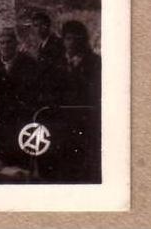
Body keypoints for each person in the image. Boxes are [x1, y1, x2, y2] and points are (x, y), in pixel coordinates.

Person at [0, 28, 40, 169]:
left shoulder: (28, 63)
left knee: (23, 157)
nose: (5, 46)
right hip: (2, 116)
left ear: (15, 43)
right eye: (2, 43)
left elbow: (36, 91)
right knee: (5, 158)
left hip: (23, 116)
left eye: (9, 42)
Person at [54, 20, 102, 182]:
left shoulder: (94, 62)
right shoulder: (57, 63)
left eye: (76, 38)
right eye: (68, 38)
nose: (71, 43)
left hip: (85, 120)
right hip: (62, 120)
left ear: (83, 41)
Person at [32, 11, 66, 104]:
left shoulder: (56, 43)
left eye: (42, 25)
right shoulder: (41, 45)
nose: (39, 29)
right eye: (35, 26)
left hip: (55, 91)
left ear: (48, 25)